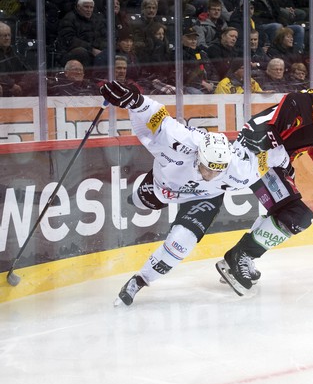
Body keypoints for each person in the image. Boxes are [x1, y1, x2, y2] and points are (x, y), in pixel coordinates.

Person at [99, 80, 289, 306]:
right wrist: (134, 101)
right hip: (164, 188)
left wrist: (288, 161)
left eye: (218, 170)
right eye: (208, 167)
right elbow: (157, 116)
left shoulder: (238, 169)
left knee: (182, 241)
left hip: (203, 198)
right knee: (140, 200)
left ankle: (140, 280)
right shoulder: (180, 141)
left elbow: (272, 156)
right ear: (199, 156)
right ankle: (137, 199)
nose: (211, 174)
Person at [215, 65, 313, 296]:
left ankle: (237, 256)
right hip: (257, 156)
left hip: (268, 159)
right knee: (298, 215)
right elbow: (291, 101)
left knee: (287, 214)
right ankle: (241, 256)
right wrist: (271, 147)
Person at [56, 0, 107, 69]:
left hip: (94, 50)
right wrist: (91, 49)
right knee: (82, 53)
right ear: (78, 7)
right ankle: (86, 77)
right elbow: (69, 40)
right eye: (86, 7)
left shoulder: (97, 19)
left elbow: (103, 36)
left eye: (91, 7)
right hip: (69, 53)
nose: (89, 10)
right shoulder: (69, 18)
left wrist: (102, 48)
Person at [182, 23, 217, 94]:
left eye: (195, 39)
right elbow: (185, 73)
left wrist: (212, 82)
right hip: (189, 85)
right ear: (182, 39)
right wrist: (202, 83)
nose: (193, 41)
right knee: (198, 94)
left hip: (207, 84)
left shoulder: (202, 53)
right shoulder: (180, 54)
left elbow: (213, 70)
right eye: (190, 39)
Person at [0, 21, 32, 97]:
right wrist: (12, 85)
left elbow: (27, 71)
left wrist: (22, 85)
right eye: (4, 36)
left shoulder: (13, 53)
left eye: (9, 35)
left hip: (16, 87)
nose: (7, 38)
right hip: (5, 87)